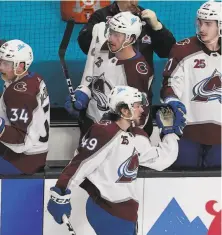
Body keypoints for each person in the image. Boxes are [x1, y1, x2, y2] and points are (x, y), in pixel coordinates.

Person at [48, 85, 186, 235]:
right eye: (137, 106)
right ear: (124, 110)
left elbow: (162, 160)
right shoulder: (104, 131)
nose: (142, 110)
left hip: (127, 212)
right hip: (106, 208)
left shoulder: (137, 136)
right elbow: (80, 163)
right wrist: (61, 192)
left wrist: (169, 133)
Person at [75, 0, 176, 137]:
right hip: (102, 98)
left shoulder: (146, 19)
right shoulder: (101, 16)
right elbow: (86, 46)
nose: (133, 1)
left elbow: (168, 51)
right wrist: (102, 32)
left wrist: (158, 28)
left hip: (138, 89)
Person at [66, 12, 153, 139]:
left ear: (131, 39)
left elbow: (140, 116)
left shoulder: (137, 72)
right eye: (111, 32)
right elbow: (90, 77)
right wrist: (83, 91)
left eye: (117, 35)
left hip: (114, 134)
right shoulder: (104, 46)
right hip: (91, 122)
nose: (111, 38)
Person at [161, 1, 221, 169]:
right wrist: (172, 101)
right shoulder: (183, 49)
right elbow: (169, 83)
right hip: (187, 133)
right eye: (200, 22)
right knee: (182, 182)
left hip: (220, 138)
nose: (202, 28)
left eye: (208, 24)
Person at [0, 39, 50, 175]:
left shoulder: (19, 94)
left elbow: (22, 141)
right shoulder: (33, 78)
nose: (1, 68)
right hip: (35, 152)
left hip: (22, 159)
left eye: (6, 64)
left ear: (20, 66)